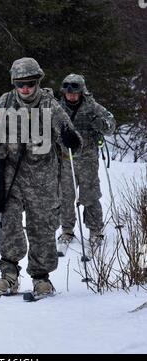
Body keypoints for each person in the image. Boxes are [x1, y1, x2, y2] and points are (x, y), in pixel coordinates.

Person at [0, 58, 82, 296]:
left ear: (37, 82)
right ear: (14, 83)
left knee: (41, 226)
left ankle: (41, 277)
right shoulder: (4, 102)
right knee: (8, 222)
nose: (25, 89)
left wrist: (70, 138)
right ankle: (9, 273)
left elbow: (69, 134)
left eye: (30, 84)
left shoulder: (50, 105)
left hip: (43, 177)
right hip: (10, 175)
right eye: (20, 84)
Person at [57, 73, 116, 248]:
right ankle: (67, 229)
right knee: (65, 196)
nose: (71, 95)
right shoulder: (58, 108)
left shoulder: (93, 107)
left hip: (87, 158)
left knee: (90, 195)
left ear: (81, 91)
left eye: (75, 92)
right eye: (68, 92)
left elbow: (111, 126)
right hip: (66, 159)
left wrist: (98, 122)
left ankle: (95, 230)